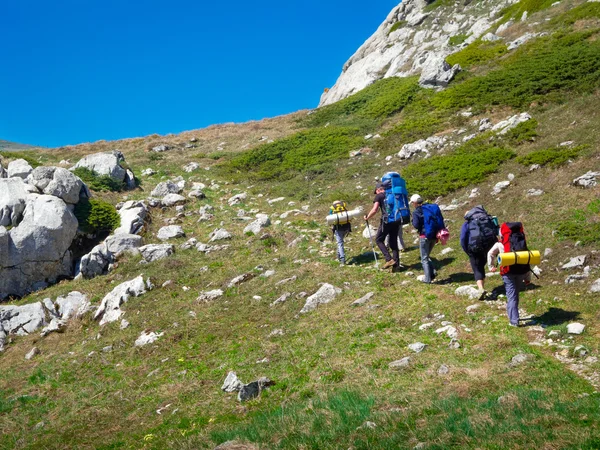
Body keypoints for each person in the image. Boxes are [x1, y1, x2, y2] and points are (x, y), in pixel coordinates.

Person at [487, 223, 533, 327]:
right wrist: (527, 278)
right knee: (515, 294)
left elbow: (490, 253)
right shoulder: (521, 243)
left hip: (508, 273)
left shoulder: (501, 244)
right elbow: (526, 259)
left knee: (511, 295)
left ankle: (514, 321)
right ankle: (513, 316)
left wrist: (491, 266)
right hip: (521, 271)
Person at [460, 206, 498, 300]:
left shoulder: (467, 224)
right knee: (481, 265)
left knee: (477, 268)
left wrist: (467, 251)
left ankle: (481, 288)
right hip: (488, 246)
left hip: (475, 249)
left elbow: (463, 239)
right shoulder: (486, 220)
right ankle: (488, 274)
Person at [364, 182, 400, 269]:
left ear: (378, 190)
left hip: (387, 221)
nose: (376, 193)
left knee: (379, 239)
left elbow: (375, 209)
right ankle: (396, 265)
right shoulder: (393, 194)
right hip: (397, 219)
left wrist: (367, 217)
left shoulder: (379, 196)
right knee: (393, 242)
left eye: (376, 191)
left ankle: (389, 259)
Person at [411, 194, 444, 283]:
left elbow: (416, 225)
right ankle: (432, 273)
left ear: (414, 203)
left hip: (424, 236)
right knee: (427, 256)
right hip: (434, 235)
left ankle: (427, 279)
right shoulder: (430, 208)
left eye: (412, 203)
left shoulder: (416, 212)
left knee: (424, 259)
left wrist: (412, 221)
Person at [329, 200, 352, 265]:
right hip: (346, 228)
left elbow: (330, 219)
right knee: (340, 243)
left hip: (338, 228)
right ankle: (338, 255)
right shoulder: (343, 207)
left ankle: (342, 259)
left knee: (340, 243)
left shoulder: (332, 209)